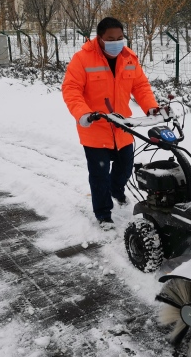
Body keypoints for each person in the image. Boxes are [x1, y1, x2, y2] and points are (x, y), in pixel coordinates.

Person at [62, 17, 162, 225]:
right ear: (99, 39)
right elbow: (71, 90)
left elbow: (141, 86)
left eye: (120, 38)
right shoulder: (83, 59)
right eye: (110, 38)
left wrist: (151, 107)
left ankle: (116, 190)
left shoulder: (129, 58)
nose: (116, 42)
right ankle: (103, 214)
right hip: (95, 127)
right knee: (99, 175)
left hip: (122, 126)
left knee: (125, 167)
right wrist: (83, 114)